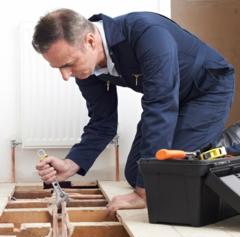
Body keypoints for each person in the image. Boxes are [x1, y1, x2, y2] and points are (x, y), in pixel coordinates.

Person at [32, 9, 235, 213]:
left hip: (206, 90)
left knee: (167, 182)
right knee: (134, 173)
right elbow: (103, 123)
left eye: (68, 65)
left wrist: (144, 192)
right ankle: (197, 149)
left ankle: (230, 143)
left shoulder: (148, 33)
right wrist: (71, 163)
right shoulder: (86, 67)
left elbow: (160, 108)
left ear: (91, 41)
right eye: (58, 68)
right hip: (171, 97)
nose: (65, 75)